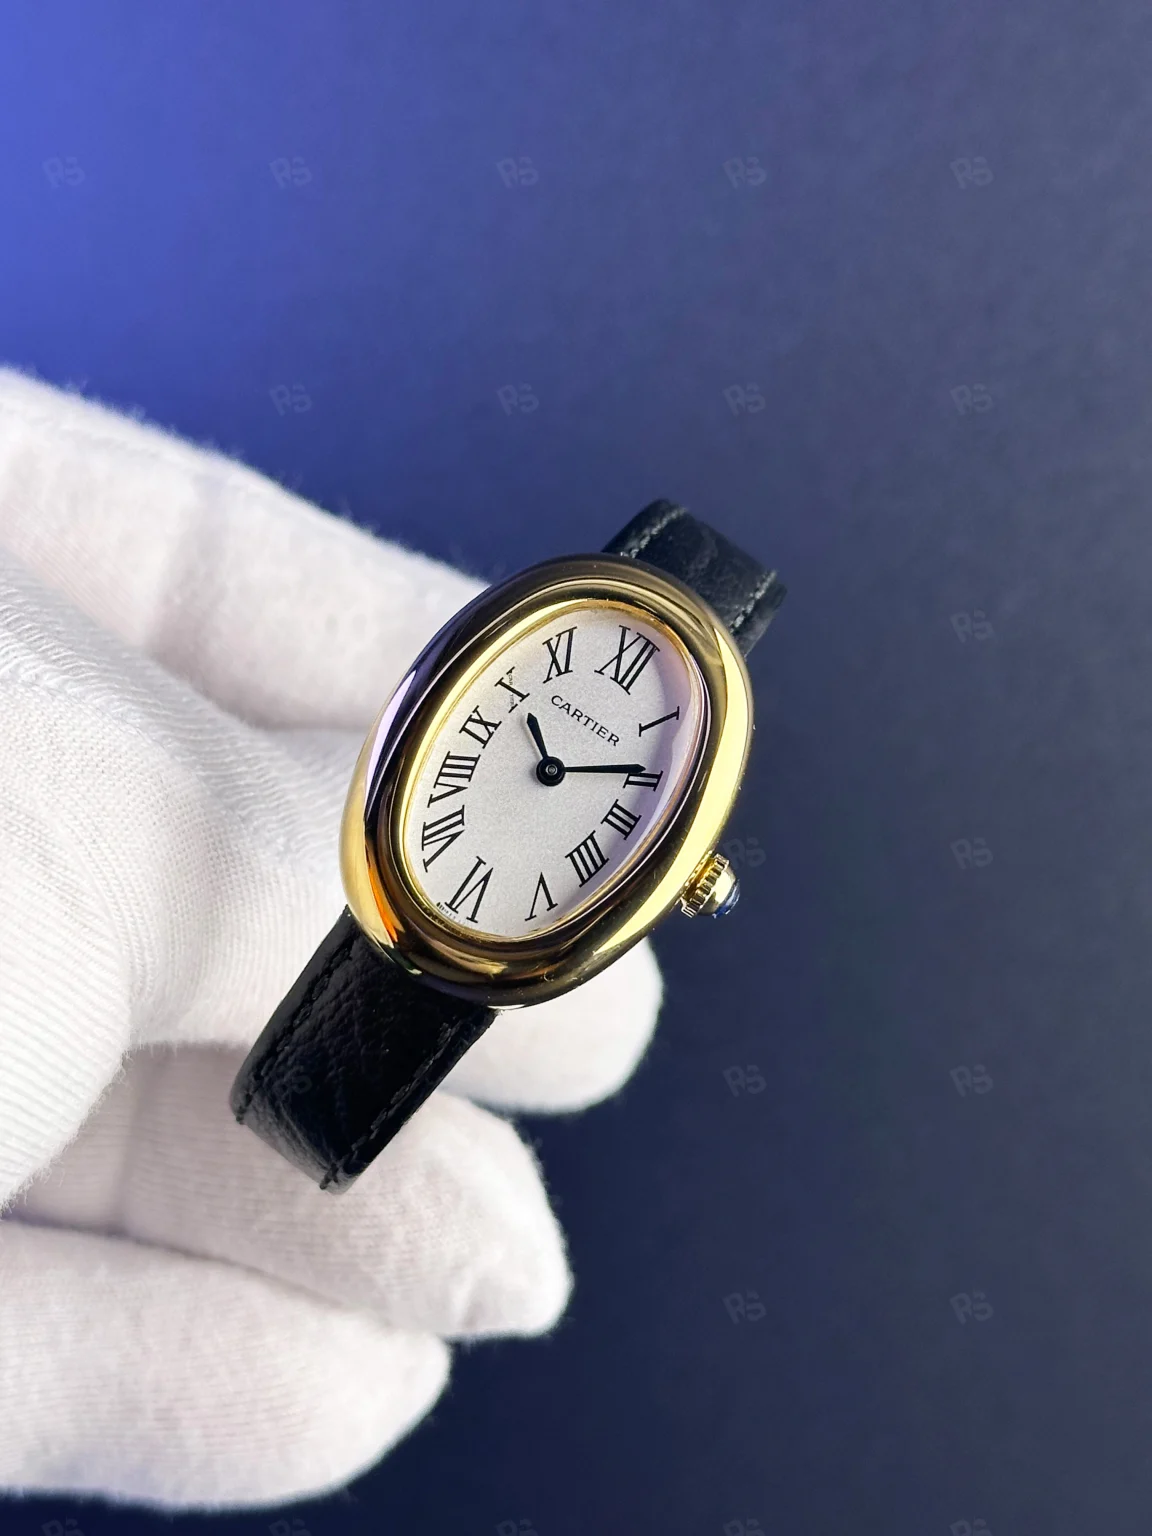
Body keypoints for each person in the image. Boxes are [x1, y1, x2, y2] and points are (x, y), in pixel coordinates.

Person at [0, 371, 661, 1510]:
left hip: (432, 920)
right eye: (551, 753)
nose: (552, 766)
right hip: (387, 870)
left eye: (574, 773)